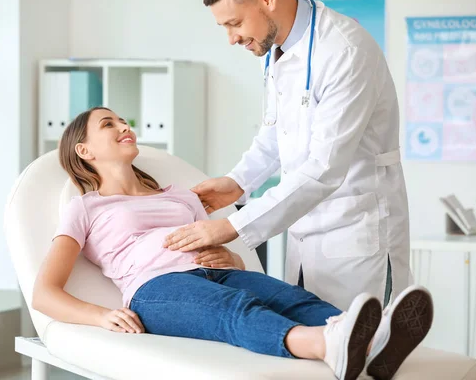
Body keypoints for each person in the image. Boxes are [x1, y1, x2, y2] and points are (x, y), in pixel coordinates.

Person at [32, 107, 433, 380]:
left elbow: (220, 243)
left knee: (294, 299)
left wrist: (230, 259)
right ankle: (326, 345)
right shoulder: (84, 207)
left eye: (123, 120)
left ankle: (376, 340)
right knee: (236, 310)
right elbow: (44, 293)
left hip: (218, 273)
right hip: (155, 289)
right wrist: (100, 316)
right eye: (108, 124)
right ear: (84, 151)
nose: (123, 126)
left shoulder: (181, 196)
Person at [164, 0, 411, 321]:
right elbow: (275, 134)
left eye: (234, 23)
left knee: (362, 352)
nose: (232, 38)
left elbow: (324, 168)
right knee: (316, 348)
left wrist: (232, 227)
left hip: (354, 233)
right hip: (304, 232)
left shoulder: (344, 51)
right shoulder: (277, 50)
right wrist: (237, 183)